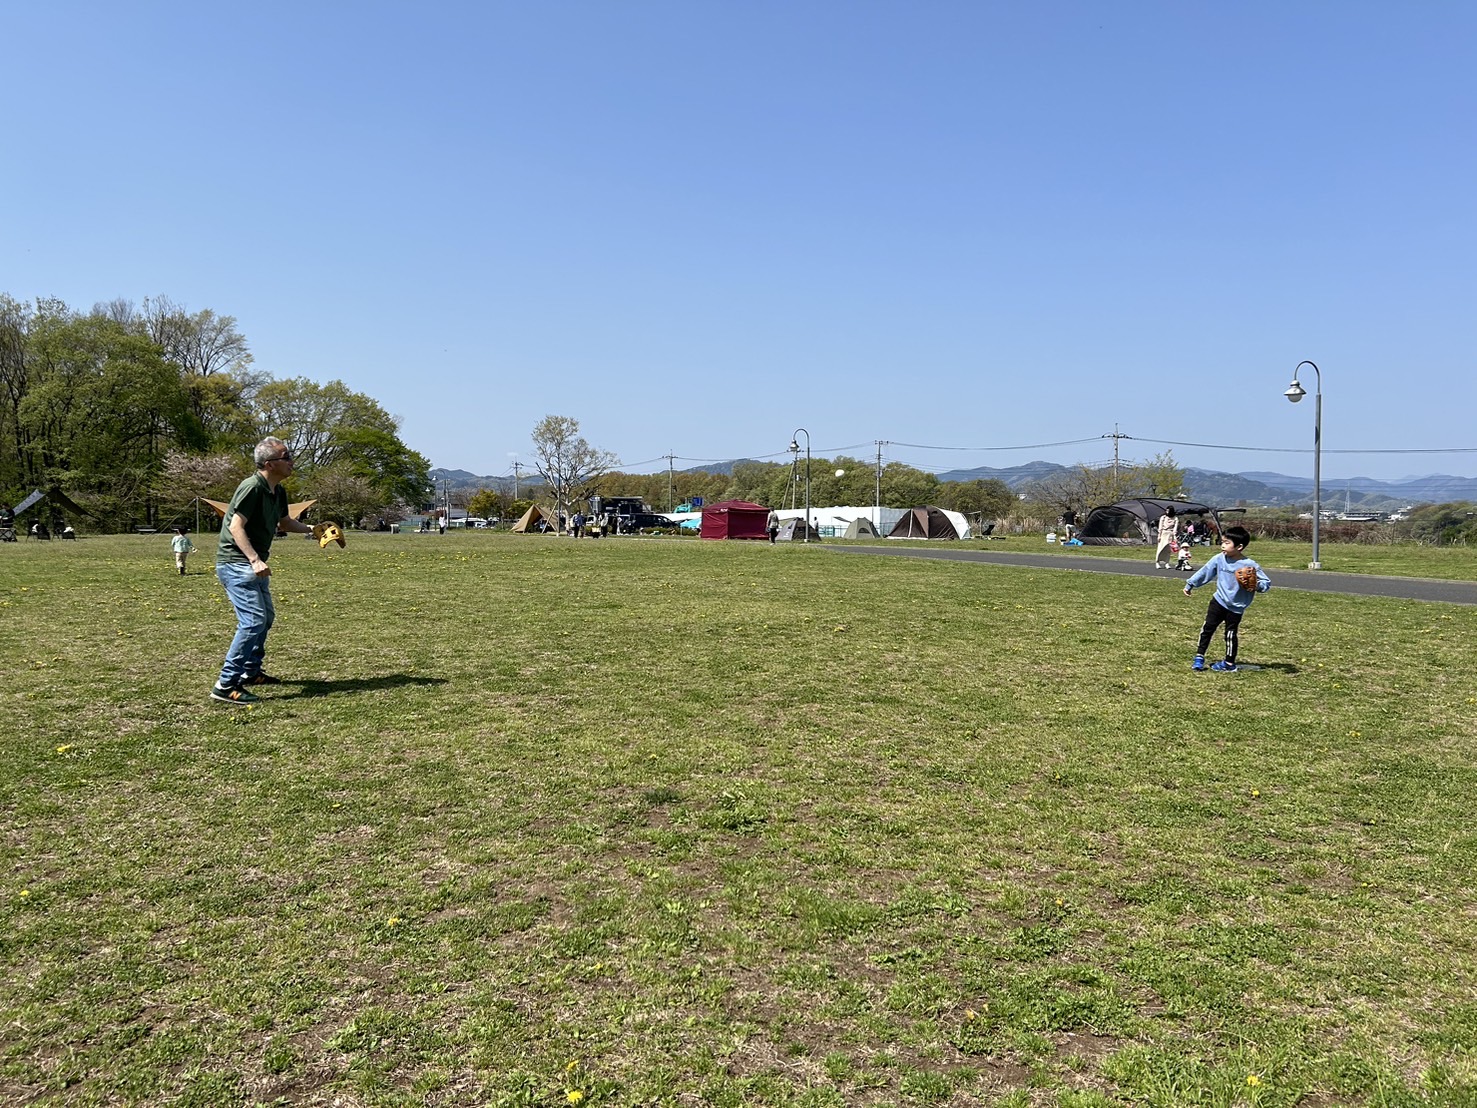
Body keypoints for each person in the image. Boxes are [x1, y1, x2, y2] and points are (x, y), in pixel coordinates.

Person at [211, 437, 319, 705]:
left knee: (265, 618)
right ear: (270, 464)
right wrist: (254, 560)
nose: (292, 461)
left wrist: (313, 530)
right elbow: (235, 526)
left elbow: (285, 522)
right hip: (237, 563)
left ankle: (250, 671)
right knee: (253, 621)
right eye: (286, 457)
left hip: (253, 564)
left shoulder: (277, 491)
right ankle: (226, 684)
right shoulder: (252, 487)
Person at [1183, 524, 1270, 672]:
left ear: (1239, 547)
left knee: (1230, 634)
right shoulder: (1219, 559)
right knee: (1207, 629)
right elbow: (1205, 571)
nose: (1222, 545)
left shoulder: (1249, 565)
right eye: (1222, 542)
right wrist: (1190, 584)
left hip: (1236, 606)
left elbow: (1266, 583)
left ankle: (1229, 663)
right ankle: (1199, 657)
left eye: (1227, 543)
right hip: (1219, 601)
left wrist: (1256, 585)